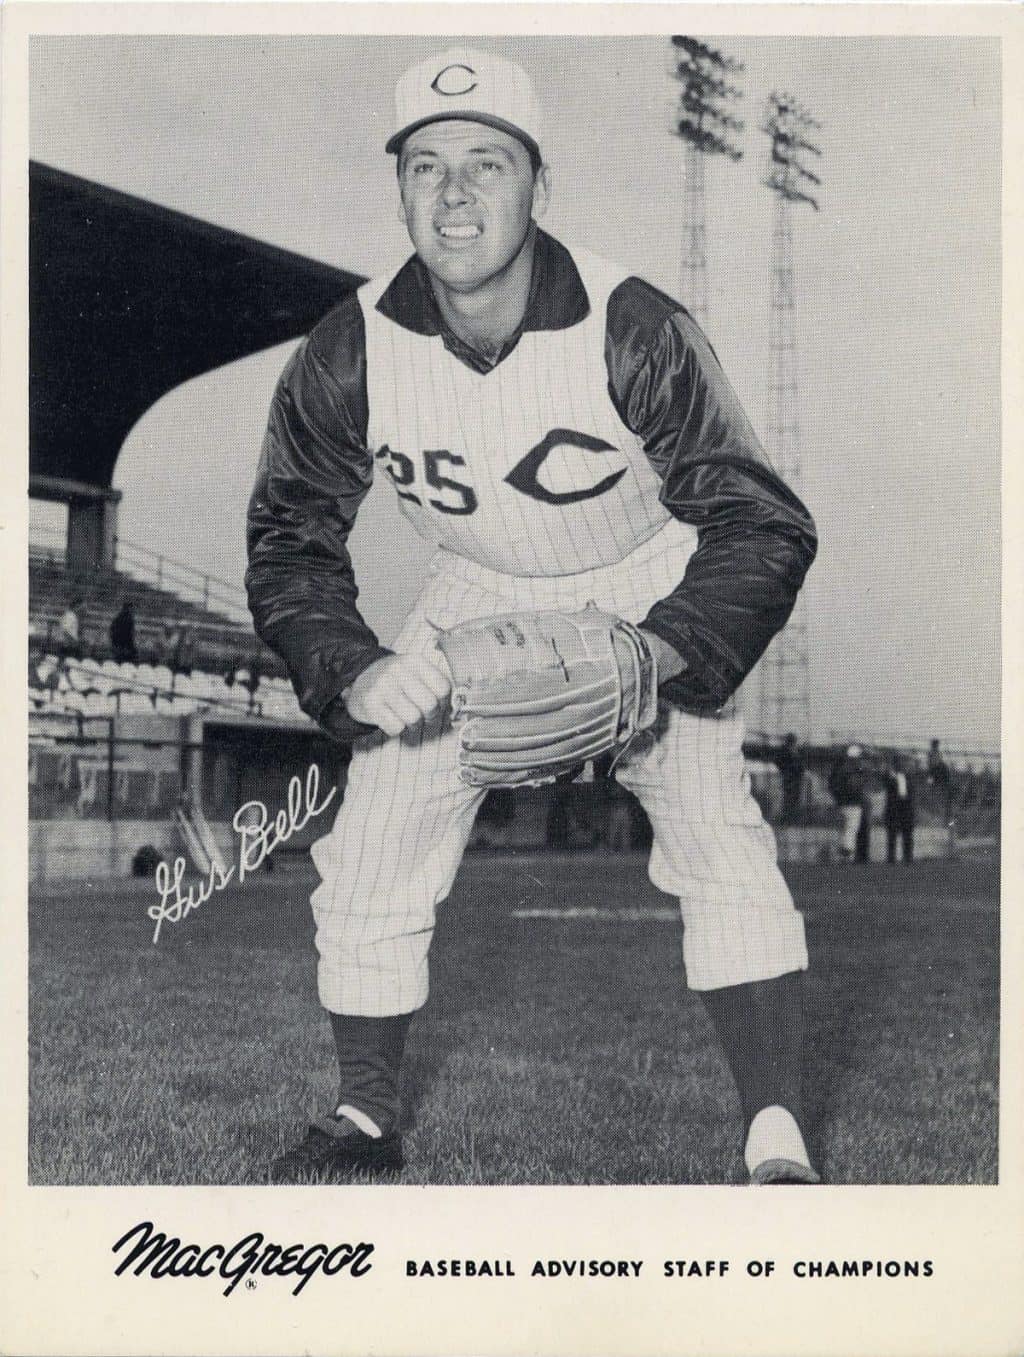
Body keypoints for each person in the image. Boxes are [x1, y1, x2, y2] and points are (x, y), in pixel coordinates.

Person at [246, 48, 819, 1187]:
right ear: (400, 188)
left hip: (647, 579)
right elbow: (290, 533)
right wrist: (351, 669)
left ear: (537, 187)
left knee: (716, 836)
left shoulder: (633, 323)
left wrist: (660, 650)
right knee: (373, 839)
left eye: (486, 163)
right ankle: (364, 1117)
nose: (454, 194)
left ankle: (775, 1131)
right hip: (476, 587)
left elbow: (764, 524)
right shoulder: (348, 343)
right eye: (426, 167)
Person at [829, 745, 867, 862]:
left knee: (843, 829)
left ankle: (843, 854)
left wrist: (837, 798)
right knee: (851, 829)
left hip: (841, 803)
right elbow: (857, 787)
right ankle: (847, 852)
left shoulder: (838, 770)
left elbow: (832, 786)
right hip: (853, 804)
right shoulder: (856, 770)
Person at [884, 753, 915, 864]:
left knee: (907, 833)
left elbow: (911, 791)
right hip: (894, 808)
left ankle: (908, 857)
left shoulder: (908, 776)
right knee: (892, 833)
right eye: (899, 762)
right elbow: (886, 783)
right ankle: (891, 858)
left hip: (906, 807)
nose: (901, 765)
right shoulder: (890, 775)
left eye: (902, 762)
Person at [773, 732, 806, 824]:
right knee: (789, 798)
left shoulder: (794, 751)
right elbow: (779, 762)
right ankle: (787, 819)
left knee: (794, 798)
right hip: (789, 778)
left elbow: (800, 765)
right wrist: (787, 769)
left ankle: (792, 818)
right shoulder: (785, 751)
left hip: (795, 779)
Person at [109, 599, 138, 664]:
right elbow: (129, 635)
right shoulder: (129, 619)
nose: (133, 610)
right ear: (128, 609)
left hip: (118, 645)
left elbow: (111, 629)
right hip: (123, 645)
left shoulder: (118, 617)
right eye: (132, 609)